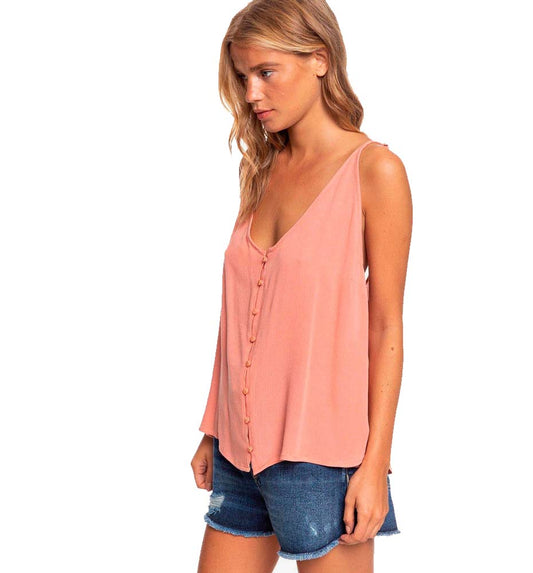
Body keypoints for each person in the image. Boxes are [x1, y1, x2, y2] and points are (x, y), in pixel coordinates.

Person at [191, 0, 413, 570]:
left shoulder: (375, 171)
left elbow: (386, 326)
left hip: (323, 460)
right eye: (243, 76)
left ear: (320, 60)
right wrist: (212, 429)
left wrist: (375, 464)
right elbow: (239, 316)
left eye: (266, 72)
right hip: (239, 454)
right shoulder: (263, 169)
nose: (251, 94)